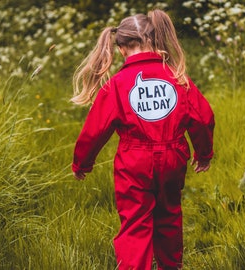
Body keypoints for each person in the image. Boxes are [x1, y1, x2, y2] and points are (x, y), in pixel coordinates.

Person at [71, 9, 215, 270]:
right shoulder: (177, 76)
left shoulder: (117, 83)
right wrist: (203, 153)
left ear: (121, 48)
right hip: (173, 157)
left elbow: (95, 129)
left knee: (136, 222)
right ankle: (171, 266)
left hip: (133, 162)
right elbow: (203, 118)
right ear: (154, 40)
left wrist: (82, 163)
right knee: (169, 215)